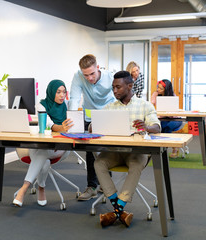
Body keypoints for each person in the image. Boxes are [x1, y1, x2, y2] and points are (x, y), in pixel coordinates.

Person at [94, 71, 161, 228]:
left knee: (136, 165)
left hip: (137, 152)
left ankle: (115, 211)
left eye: (118, 87)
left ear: (130, 86)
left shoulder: (145, 105)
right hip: (115, 152)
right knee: (99, 163)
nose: (115, 91)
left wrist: (147, 127)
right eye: (113, 87)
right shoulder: (109, 107)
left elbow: (157, 127)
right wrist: (93, 124)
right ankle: (120, 211)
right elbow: (94, 126)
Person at [13, 79, 73, 207]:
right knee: (43, 158)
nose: (62, 95)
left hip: (61, 147)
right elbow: (49, 125)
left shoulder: (67, 105)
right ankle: (41, 188)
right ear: (51, 92)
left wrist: (64, 129)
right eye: (58, 92)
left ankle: (23, 189)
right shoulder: (41, 105)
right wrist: (61, 127)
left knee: (42, 154)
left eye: (64, 92)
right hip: (42, 145)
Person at [69, 54, 115, 201]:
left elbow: (119, 97)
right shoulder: (78, 76)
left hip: (108, 116)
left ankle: (106, 182)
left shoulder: (110, 76)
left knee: (108, 149)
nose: (89, 78)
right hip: (89, 117)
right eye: (86, 75)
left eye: (92, 74)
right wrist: (71, 122)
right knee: (90, 151)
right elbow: (74, 99)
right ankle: (92, 186)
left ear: (98, 67)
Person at [151, 79, 182, 158]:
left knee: (166, 127)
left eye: (161, 88)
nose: (158, 89)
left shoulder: (172, 95)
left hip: (175, 119)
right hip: (162, 119)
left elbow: (175, 113)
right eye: (158, 87)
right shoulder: (155, 94)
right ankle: (172, 147)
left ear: (166, 89)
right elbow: (151, 105)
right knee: (160, 126)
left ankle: (166, 148)